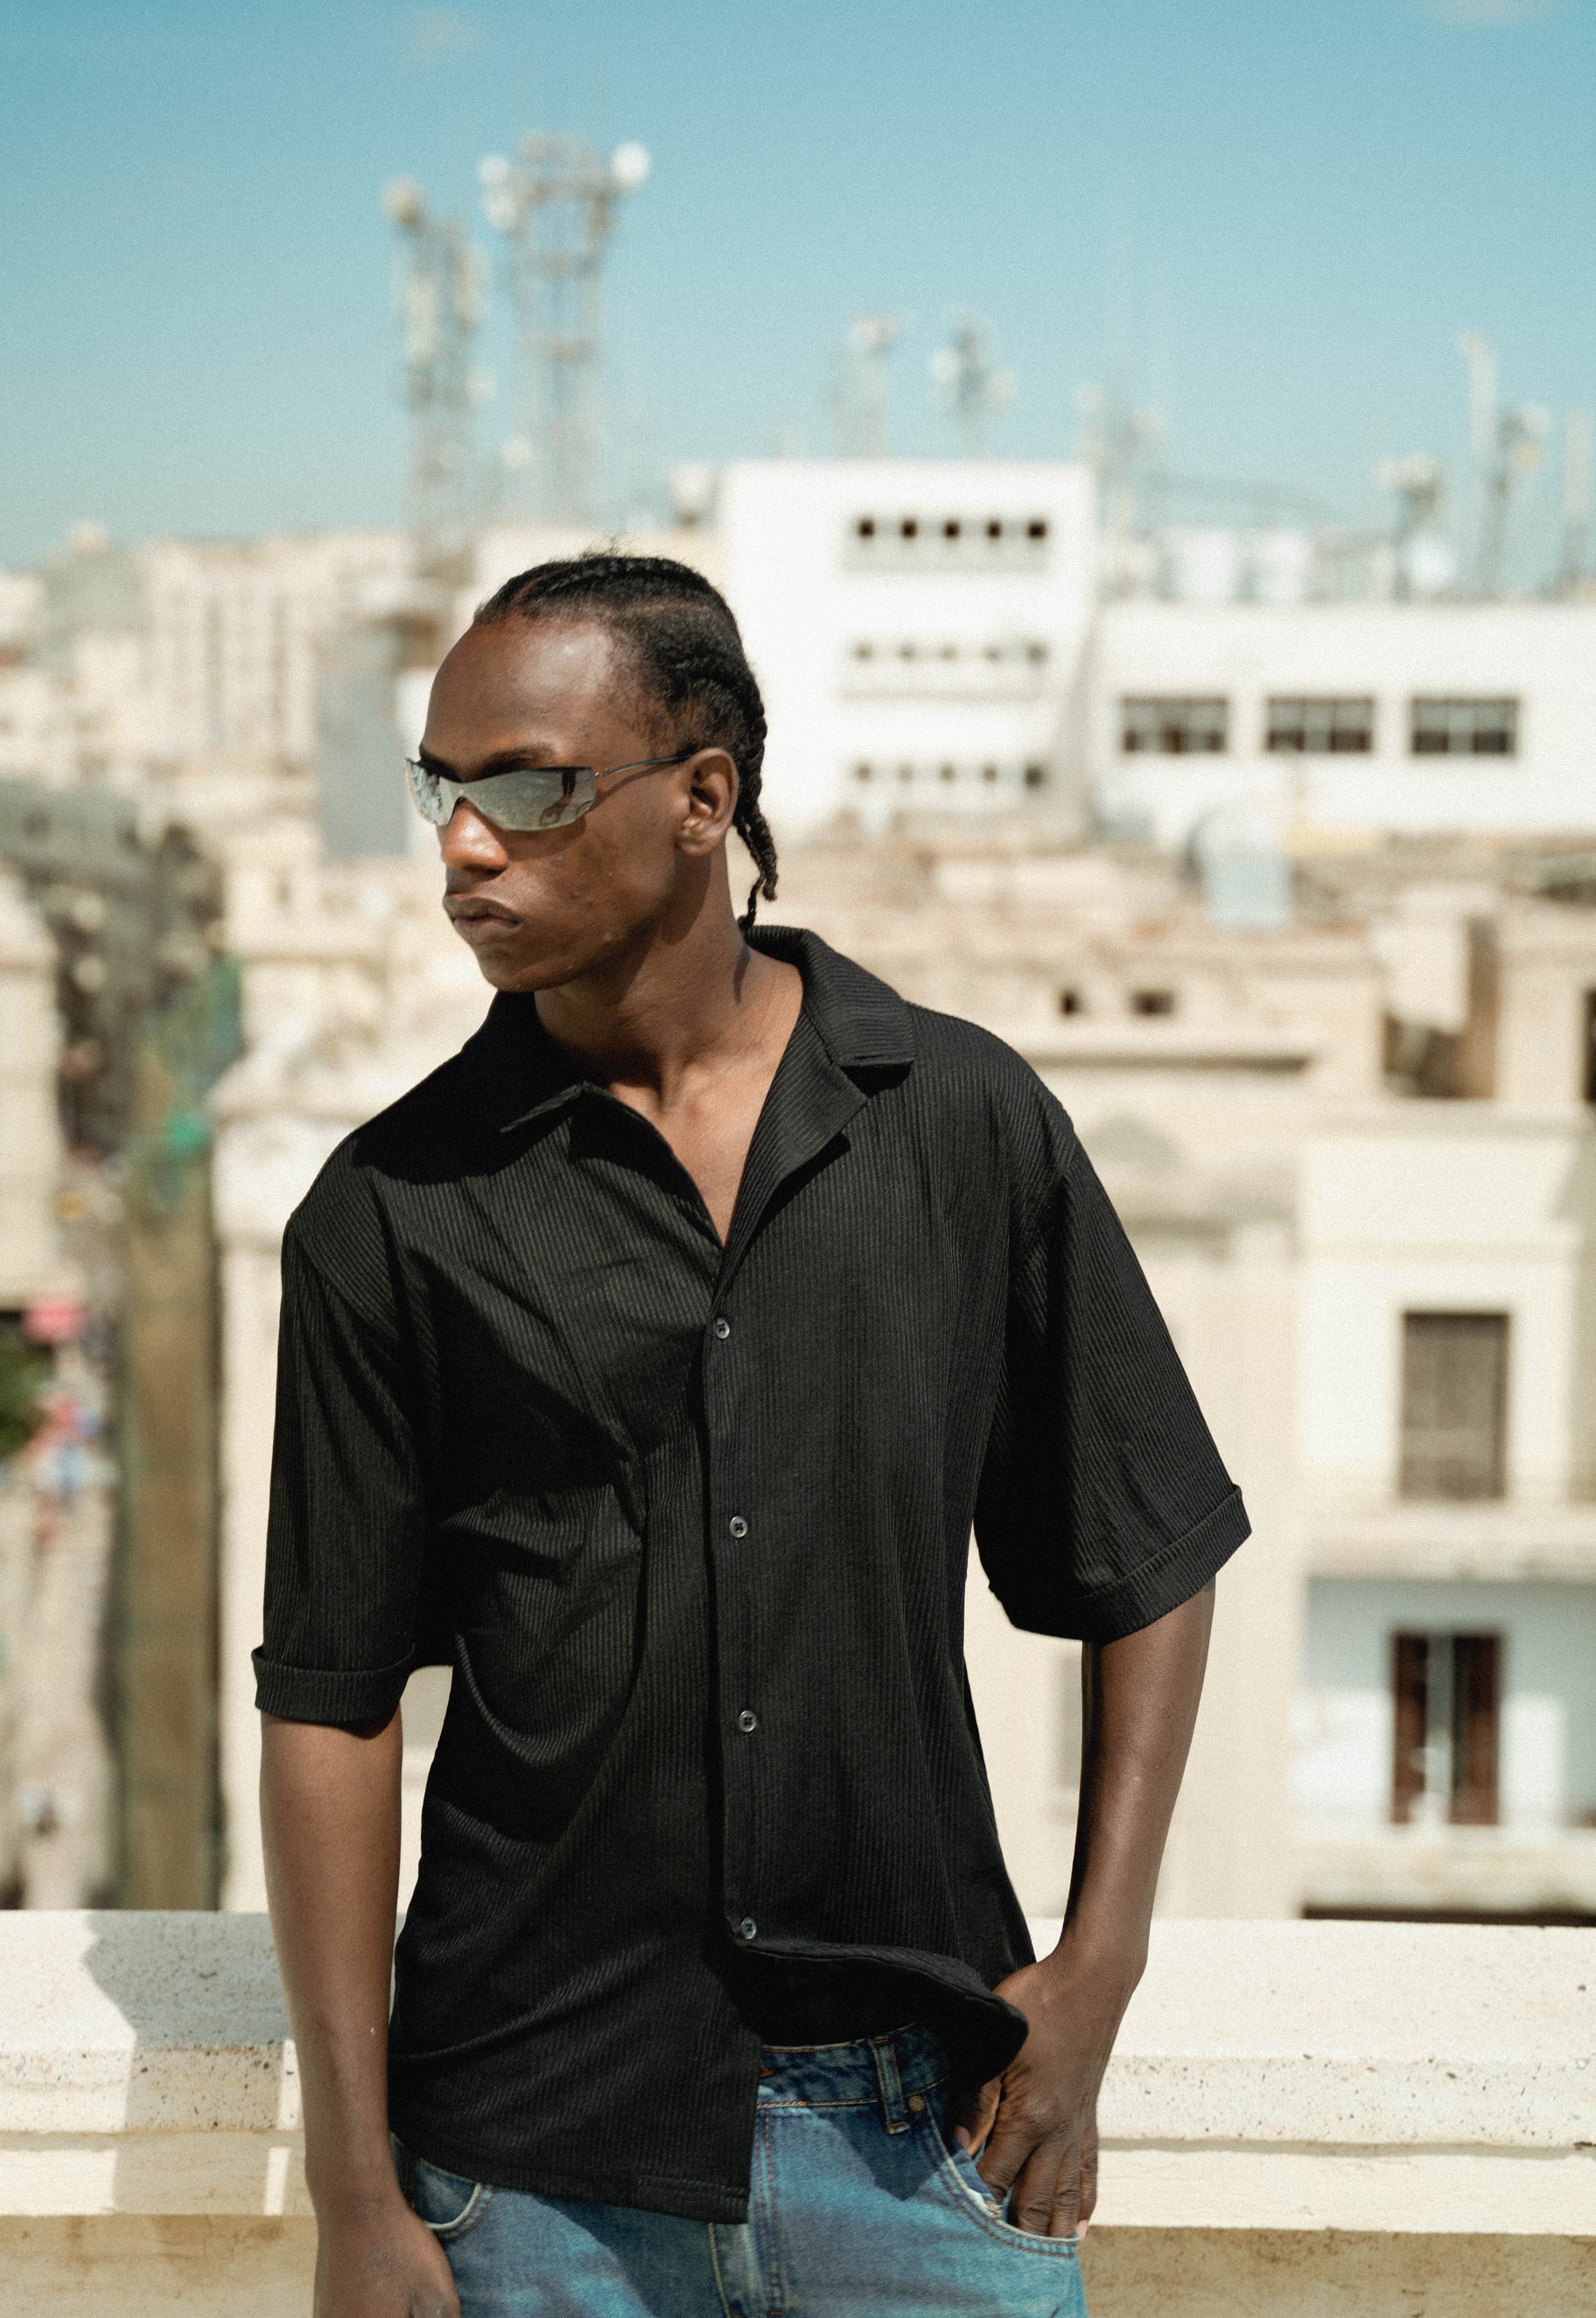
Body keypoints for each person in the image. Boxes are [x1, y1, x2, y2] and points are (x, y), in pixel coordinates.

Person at [258, 553, 1250, 2318]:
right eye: (442, 790)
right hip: (529, 2162)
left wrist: (1100, 1966)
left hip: (931, 2134)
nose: (464, 846)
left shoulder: (956, 1119)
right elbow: (331, 1707)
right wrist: (353, 2186)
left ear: (702, 798)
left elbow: (1148, 1545)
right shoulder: (390, 1210)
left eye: (528, 791)